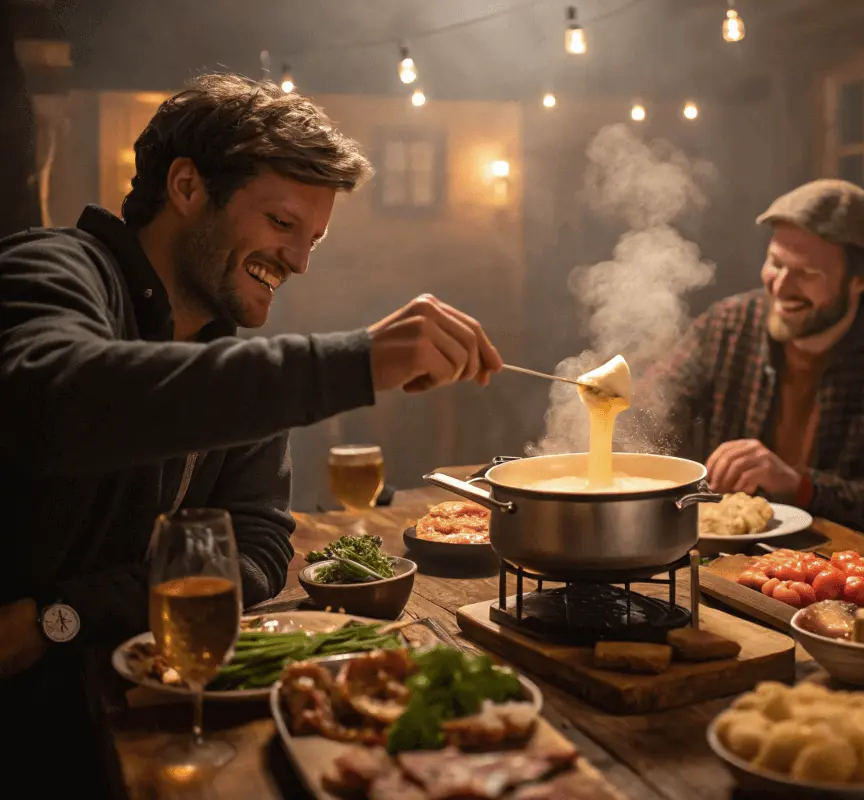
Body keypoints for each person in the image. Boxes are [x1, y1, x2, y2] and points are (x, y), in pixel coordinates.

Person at [0, 74, 501, 786]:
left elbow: (261, 548)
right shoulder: (51, 267)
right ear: (186, 187)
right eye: (282, 223)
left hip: (135, 711)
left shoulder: (230, 363)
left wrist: (62, 615)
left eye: (314, 240)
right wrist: (355, 362)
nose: (298, 262)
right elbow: (59, 405)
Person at [646, 179, 864, 538]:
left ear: (859, 282)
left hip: (846, 573)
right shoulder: (728, 325)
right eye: (774, 263)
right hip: (717, 556)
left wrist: (798, 484)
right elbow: (656, 408)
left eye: (805, 273)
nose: (780, 287)